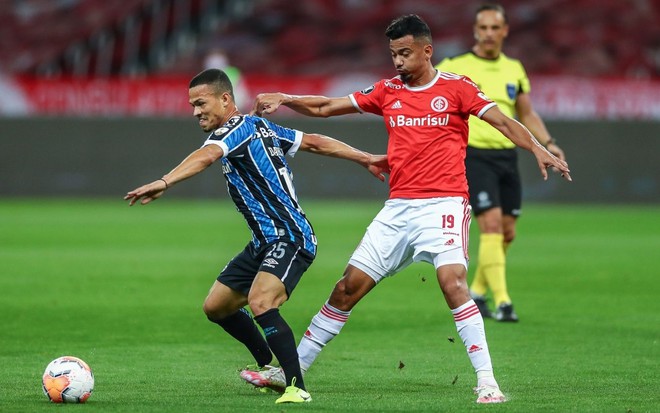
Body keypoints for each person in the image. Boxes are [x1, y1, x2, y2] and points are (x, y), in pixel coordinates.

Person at [240, 14, 571, 404]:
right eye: (393, 54)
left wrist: (536, 147)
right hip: (397, 209)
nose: (398, 61)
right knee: (346, 289)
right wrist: (288, 98)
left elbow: (501, 120)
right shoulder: (387, 90)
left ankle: (487, 382)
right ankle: (290, 372)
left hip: (444, 203)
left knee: (453, 283)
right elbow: (329, 106)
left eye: (405, 53)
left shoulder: (457, 88)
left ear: (427, 51)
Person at [124, 68, 387, 404]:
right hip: (263, 241)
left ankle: (296, 386)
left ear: (225, 99)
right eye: (192, 105)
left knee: (261, 302)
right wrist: (364, 157)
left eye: (201, 103)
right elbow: (315, 142)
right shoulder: (260, 126)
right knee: (216, 307)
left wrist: (164, 181)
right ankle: (268, 364)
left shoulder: (235, 129)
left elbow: (207, 156)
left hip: (289, 236)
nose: (195, 112)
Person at [436, 3, 567, 322]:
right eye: (483, 28)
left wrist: (548, 143)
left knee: (507, 233)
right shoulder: (455, 66)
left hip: (507, 156)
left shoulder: (514, 68)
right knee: (491, 225)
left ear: (505, 31)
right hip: (474, 155)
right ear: (475, 31)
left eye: (495, 28)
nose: (489, 33)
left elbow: (526, 113)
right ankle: (504, 302)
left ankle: (478, 291)